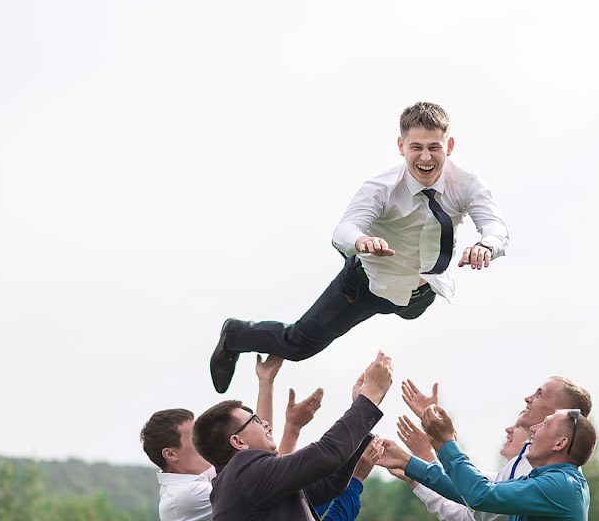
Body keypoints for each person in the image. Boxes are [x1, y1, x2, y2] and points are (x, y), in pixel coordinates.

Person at [210, 102, 509, 392]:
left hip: (422, 293)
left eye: (434, 147)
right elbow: (344, 229)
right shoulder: (382, 188)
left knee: (409, 312)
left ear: (450, 145)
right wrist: (361, 240)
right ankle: (235, 333)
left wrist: (486, 244)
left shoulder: (467, 182)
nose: (426, 157)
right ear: (401, 146)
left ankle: (406, 294)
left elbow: (495, 226)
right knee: (299, 345)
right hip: (365, 286)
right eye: (416, 147)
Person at [192, 351, 393, 520]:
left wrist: (362, 406)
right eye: (255, 420)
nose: (266, 423)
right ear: (238, 442)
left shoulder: (237, 484)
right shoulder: (242, 472)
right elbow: (326, 454)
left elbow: (328, 484)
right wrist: (369, 397)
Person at [140, 356, 326, 521]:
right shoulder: (185, 497)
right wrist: (292, 429)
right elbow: (270, 477)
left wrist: (266, 382)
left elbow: (257, 448)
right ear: (171, 454)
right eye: (192, 436)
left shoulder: (202, 476)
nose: (201, 438)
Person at [394, 376, 592, 521]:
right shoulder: (548, 477)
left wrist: (444, 442)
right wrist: (409, 464)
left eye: (540, 394)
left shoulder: (559, 484)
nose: (528, 398)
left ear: (561, 441)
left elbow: (478, 498)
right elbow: (468, 489)